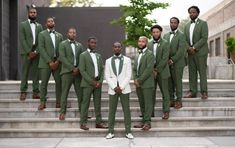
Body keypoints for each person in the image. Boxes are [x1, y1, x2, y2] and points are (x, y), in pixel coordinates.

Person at [105, 42, 134, 139]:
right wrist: (114, 87)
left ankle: (128, 131)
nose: (117, 48)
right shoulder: (108, 61)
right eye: (115, 47)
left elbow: (128, 75)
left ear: (121, 48)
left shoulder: (127, 60)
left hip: (124, 89)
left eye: (119, 47)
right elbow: (107, 76)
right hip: (113, 90)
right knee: (111, 111)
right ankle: (110, 132)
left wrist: (121, 87)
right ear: (113, 48)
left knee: (126, 110)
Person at [79, 37, 107, 130]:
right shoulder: (83, 55)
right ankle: (83, 123)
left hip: (98, 84)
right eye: (92, 42)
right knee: (85, 103)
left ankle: (98, 122)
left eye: (95, 43)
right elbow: (82, 71)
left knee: (97, 104)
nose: (93, 44)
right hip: (87, 83)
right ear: (88, 43)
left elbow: (102, 69)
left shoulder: (98, 55)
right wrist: (92, 82)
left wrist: (100, 81)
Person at [58, 27, 84, 120]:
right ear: (67, 34)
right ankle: (62, 112)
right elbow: (62, 57)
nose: (72, 34)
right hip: (66, 72)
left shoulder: (80, 45)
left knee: (80, 94)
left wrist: (78, 69)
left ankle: (83, 112)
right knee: (64, 93)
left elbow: (82, 58)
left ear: (75, 34)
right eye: (71, 32)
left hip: (78, 73)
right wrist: (72, 68)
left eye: (74, 32)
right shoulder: (62, 44)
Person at [37, 17, 63, 110]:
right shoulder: (41, 34)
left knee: (59, 83)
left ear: (54, 23)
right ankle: (42, 102)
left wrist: (57, 61)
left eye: (52, 21)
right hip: (45, 63)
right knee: (44, 83)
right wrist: (50, 62)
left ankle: (59, 102)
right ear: (46, 24)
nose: (50, 22)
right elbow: (41, 48)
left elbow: (61, 50)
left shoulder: (59, 35)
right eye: (48, 21)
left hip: (57, 63)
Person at [183, 6, 209, 99]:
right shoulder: (186, 25)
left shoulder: (203, 23)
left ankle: (204, 92)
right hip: (190, 53)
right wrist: (188, 48)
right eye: (190, 12)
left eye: (193, 12)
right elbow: (184, 39)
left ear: (198, 13)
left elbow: (204, 38)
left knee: (202, 72)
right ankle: (193, 92)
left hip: (200, 52)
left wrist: (194, 47)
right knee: (192, 73)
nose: (191, 14)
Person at [19, 4, 43, 100]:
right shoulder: (23, 25)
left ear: (36, 14)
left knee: (36, 73)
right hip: (26, 52)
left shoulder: (40, 26)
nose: (33, 14)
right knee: (25, 72)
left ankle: (36, 92)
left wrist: (36, 51)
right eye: (31, 12)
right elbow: (22, 39)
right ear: (28, 13)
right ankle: (23, 91)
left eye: (34, 12)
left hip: (36, 52)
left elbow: (41, 40)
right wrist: (29, 52)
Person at [147, 25, 170, 119]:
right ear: (152, 33)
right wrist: (152, 69)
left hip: (163, 71)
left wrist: (157, 69)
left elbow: (165, 58)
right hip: (151, 72)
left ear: (160, 32)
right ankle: (150, 112)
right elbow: (148, 58)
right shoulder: (148, 44)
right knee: (151, 93)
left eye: (157, 32)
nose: (156, 33)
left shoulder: (165, 43)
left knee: (165, 93)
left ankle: (166, 112)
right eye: (154, 32)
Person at [163, 17, 187, 109]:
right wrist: (166, 59)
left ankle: (179, 100)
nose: (172, 24)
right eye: (171, 22)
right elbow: (164, 49)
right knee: (169, 83)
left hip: (178, 63)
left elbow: (181, 50)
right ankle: (171, 100)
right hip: (167, 63)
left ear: (178, 24)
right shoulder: (165, 36)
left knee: (177, 82)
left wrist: (172, 59)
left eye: (174, 23)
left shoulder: (182, 35)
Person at [133, 36, 155, 131]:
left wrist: (140, 80)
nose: (141, 43)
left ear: (146, 43)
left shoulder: (150, 54)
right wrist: (135, 79)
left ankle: (147, 122)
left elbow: (149, 69)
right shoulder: (137, 54)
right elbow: (134, 69)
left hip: (147, 83)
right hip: (138, 84)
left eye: (143, 41)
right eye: (139, 41)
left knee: (148, 103)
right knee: (142, 103)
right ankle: (143, 121)